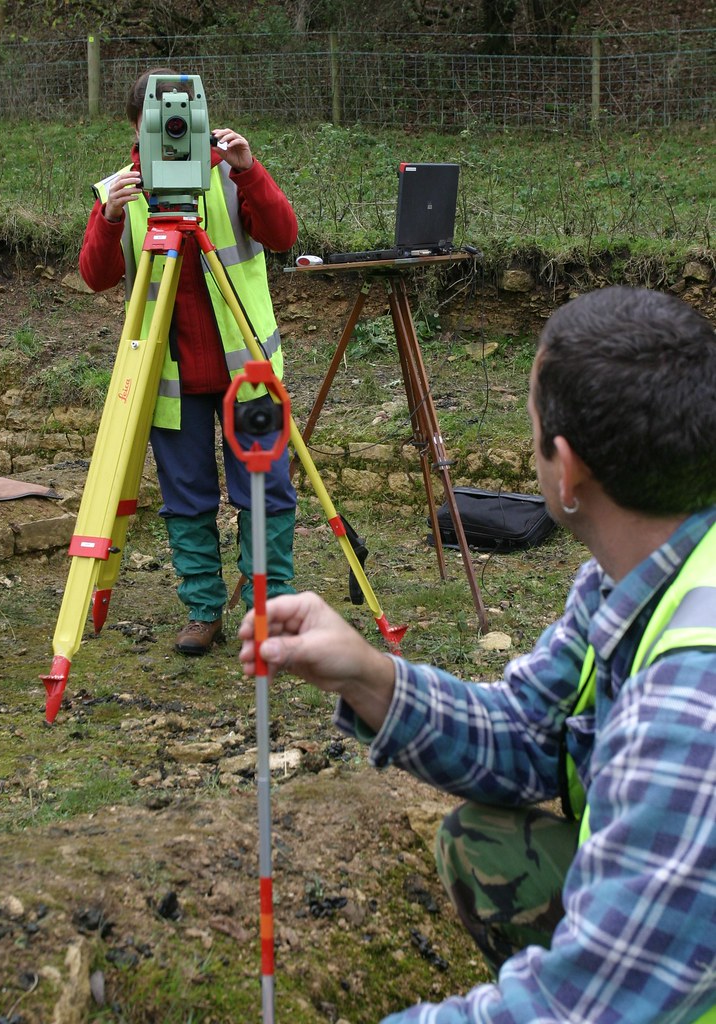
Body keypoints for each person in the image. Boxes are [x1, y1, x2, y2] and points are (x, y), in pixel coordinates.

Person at [239, 286, 716, 1023]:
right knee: (486, 843)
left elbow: (570, 1011)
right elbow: (529, 731)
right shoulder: (641, 573)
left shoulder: (691, 706)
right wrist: (372, 677)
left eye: (529, 427)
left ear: (567, 470)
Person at [80, 68, 299, 655]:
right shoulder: (120, 190)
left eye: (180, 120)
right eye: (156, 123)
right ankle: (204, 609)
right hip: (171, 377)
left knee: (267, 493)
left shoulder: (230, 172)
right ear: (134, 127)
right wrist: (109, 217)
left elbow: (283, 235)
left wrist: (249, 170)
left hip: (247, 372)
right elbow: (96, 277)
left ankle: (269, 611)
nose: (171, 132)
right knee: (187, 499)